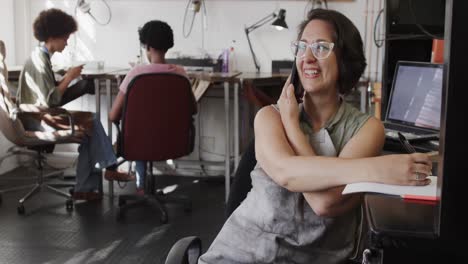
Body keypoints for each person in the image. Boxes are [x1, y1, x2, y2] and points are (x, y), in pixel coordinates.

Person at [199, 9, 432, 264]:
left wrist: (294, 131)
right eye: (302, 47)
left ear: (344, 59)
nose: (307, 57)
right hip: (239, 253)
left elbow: (324, 204)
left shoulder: (366, 129)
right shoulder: (270, 117)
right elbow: (288, 173)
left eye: (321, 47)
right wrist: (376, 169)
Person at [17, 8, 132, 201]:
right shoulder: (39, 59)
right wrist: (69, 77)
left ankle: (84, 188)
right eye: (65, 37)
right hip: (38, 120)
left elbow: (51, 95)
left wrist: (73, 81)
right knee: (92, 121)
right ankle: (110, 168)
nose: (67, 42)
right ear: (53, 36)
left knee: (88, 132)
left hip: (38, 116)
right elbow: (52, 100)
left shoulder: (41, 57)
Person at [108, 20, 188, 195]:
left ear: (147, 46)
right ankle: (140, 184)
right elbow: (193, 109)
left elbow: (113, 115)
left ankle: (140, 187)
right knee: (144, 131)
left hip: (140, 142)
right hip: (173, 141)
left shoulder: (135, 74)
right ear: (168, 46)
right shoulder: (181, 73)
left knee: (139, 132)